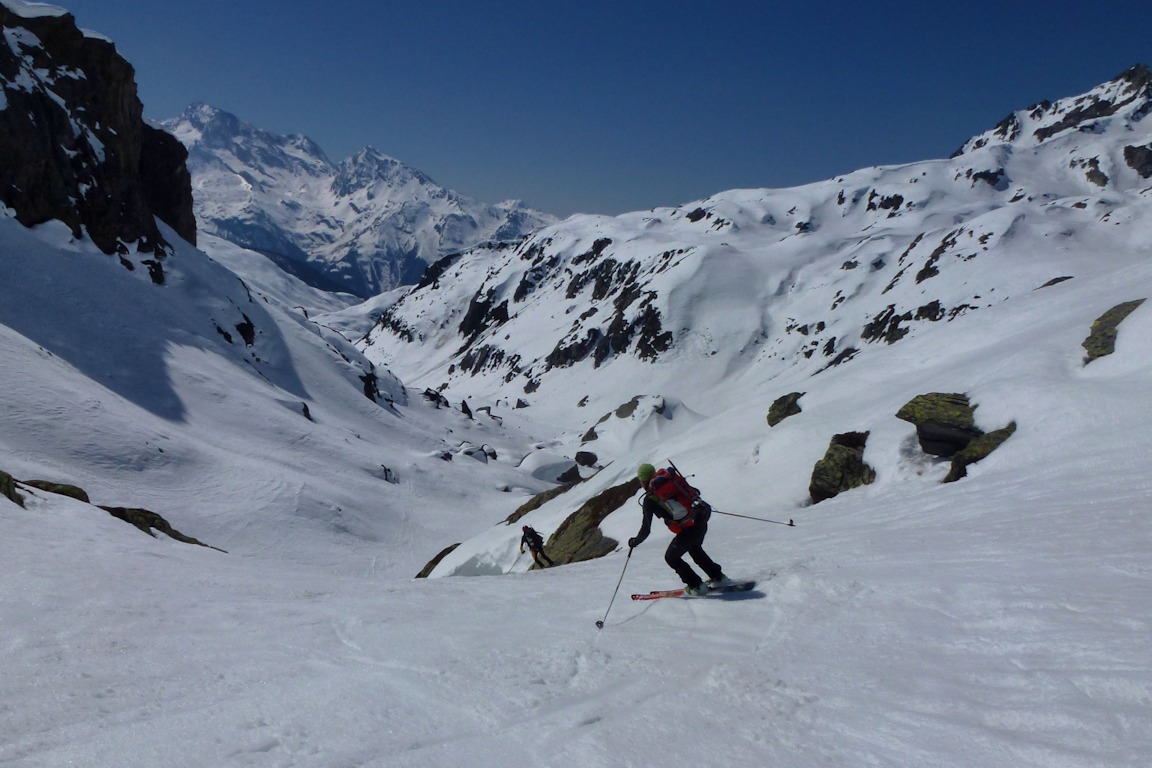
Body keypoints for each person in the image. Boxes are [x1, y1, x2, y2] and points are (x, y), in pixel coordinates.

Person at [628, 463, 727, 595]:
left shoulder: (650, 499)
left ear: (643, 480)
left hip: (688, 529)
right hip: (701, 519)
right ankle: (718, 577)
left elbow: (646, 530)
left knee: (671, 557)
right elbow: (696, 492)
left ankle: (696, 586)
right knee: (694, 549)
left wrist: (635, 541)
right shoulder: (671, 481)